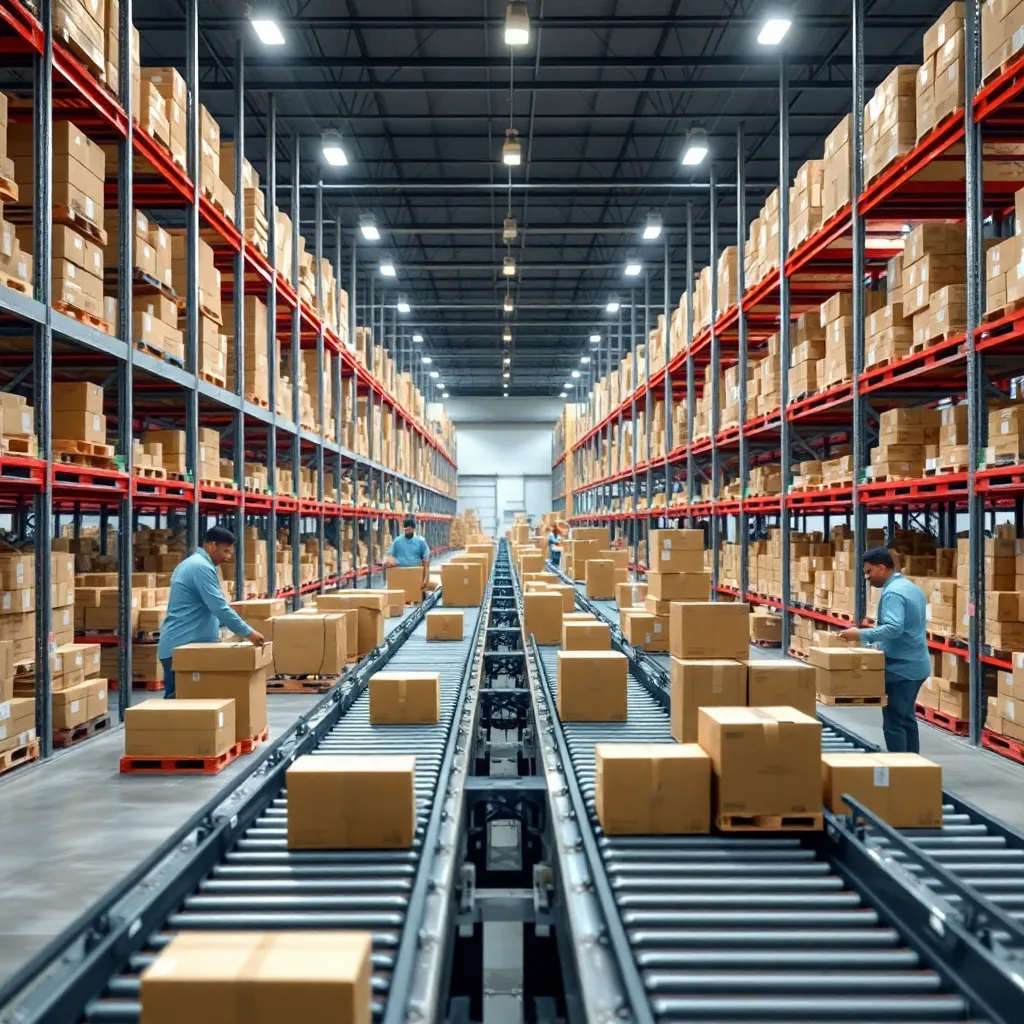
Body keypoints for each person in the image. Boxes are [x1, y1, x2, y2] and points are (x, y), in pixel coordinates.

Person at [156, 525, 265, 699]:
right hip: (183, 648)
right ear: (212, 545)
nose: (228, 557)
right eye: (226, 551)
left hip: (190, 647)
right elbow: (219, 607)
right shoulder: (200, 567)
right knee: (179, 707)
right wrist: (248, 633)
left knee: (197, 706)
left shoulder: (196, 564)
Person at [840, 547, 931, 752]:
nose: (867, 577)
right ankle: (914, 765)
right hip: (916, 663)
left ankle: (899, 768)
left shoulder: (893, 593)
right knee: (906, 719)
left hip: (903, 669)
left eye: (869, 571)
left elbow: (894, 628)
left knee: (894, 724)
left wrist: (860, 634)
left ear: (881, 568)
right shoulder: (909, 587)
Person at [384, 517, 437, 594]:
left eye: (408, 530)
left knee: (426, 560)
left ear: (413, 529)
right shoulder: (397, 541)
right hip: (401, 572)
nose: (406, 532)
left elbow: (426, 560)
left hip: (416, 572)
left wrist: (425, 580)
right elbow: (390, 555)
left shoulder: (420, 542)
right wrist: (389, 561)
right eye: (405, 530)